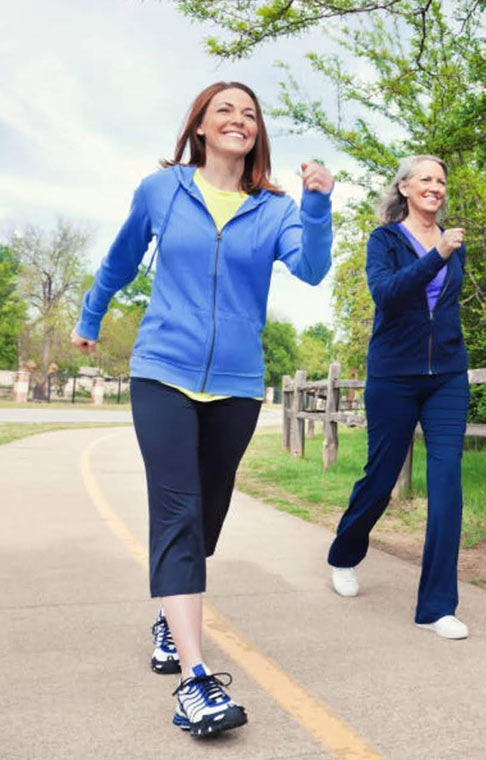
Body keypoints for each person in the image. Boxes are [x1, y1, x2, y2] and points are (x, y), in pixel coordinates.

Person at [71, 81, 333, 738]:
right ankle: (194, 681)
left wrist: (319, 205)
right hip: (163, 370)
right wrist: (90, 317)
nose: (238, 119)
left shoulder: (274, 208)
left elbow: (310, 269)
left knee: (207, 515)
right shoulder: (162, 190)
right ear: (200, 127)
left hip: (239, 383)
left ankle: (169, 612)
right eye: (226, 110)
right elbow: (121, 259)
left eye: (249, 113)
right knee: (179, 512)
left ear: (257, 134)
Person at [327, 155, 470, 639]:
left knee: (447, 483)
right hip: (394, 376)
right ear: (405, 188)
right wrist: (438, 256)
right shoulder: (384, 240)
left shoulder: (454, 243)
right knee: (381, 477)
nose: (436, 187)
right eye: (426, 179)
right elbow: (387, 294)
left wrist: (446, 253)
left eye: (442, 181)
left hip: (447, 376)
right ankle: (345, 554)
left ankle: (436, 607)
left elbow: (442, 309)